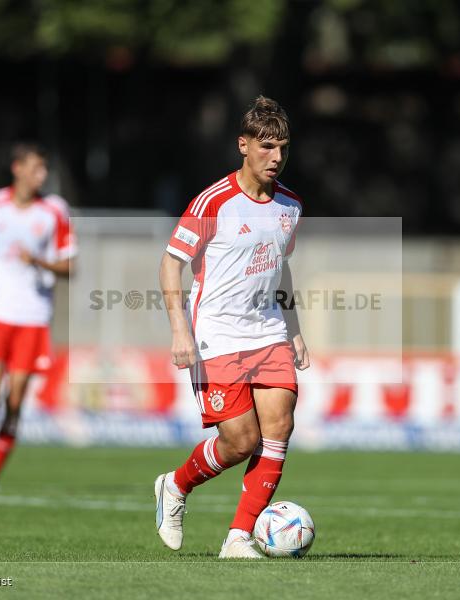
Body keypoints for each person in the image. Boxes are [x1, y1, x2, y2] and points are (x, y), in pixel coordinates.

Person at [155, 96, 310, 558]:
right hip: (215, 335)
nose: (276, 157)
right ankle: (175, 486)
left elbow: (279, 268)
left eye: (282, 147)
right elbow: (170, 265)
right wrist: (179, 331)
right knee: (240, 441)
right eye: (266, 147)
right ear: (243, 145)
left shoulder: (291, 205)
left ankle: (238, 538)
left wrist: (295, 328)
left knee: (279, 426)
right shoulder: (213, 202)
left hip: (267, 331)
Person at [0, 143, 76, 494]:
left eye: (44, 168)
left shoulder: (54, 210)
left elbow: (70, 264)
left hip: (33, 316)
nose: (42, 175)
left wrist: (38, 262)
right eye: (36, 168)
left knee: (14, 401)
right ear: (18, 169)